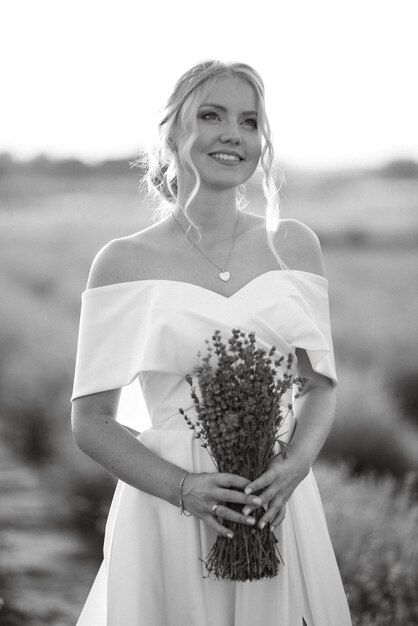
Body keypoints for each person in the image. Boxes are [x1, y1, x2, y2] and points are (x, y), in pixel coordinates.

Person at [71, 59, 352, 626]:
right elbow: (90, 421)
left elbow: (319, 385)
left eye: (249, 122)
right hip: (166, 508)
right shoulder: (122, 262)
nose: (233, 134)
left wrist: (293, 466)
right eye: (211, 115)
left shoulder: (295, 247)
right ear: (173, 133)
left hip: (272, 503)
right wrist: (184, 489)